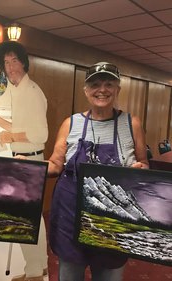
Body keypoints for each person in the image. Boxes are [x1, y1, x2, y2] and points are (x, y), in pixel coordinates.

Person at [47, 62, 149, 281]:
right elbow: (55, 164)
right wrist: (27, 165)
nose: (102, 89)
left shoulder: (131, 124)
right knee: (69, 275)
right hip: (71, 218)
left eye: (108, 84)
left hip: (113, 222)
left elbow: (143, 163)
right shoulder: (70, 123)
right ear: (86, 90)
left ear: (118, 89)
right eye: (95, 84)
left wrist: (141, 170)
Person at [0, 41, 49, 281]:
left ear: (24, 62)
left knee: (26, 218)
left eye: (14, 61)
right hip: (24, 158)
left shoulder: (31, 91)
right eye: (6, 62)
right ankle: (37, 267)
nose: (10, 67)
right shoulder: (19, 90)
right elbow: (24, 129)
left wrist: (10, 135)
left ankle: (34, 272)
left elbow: (40, 135)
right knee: (33, 216)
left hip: (30, 160)